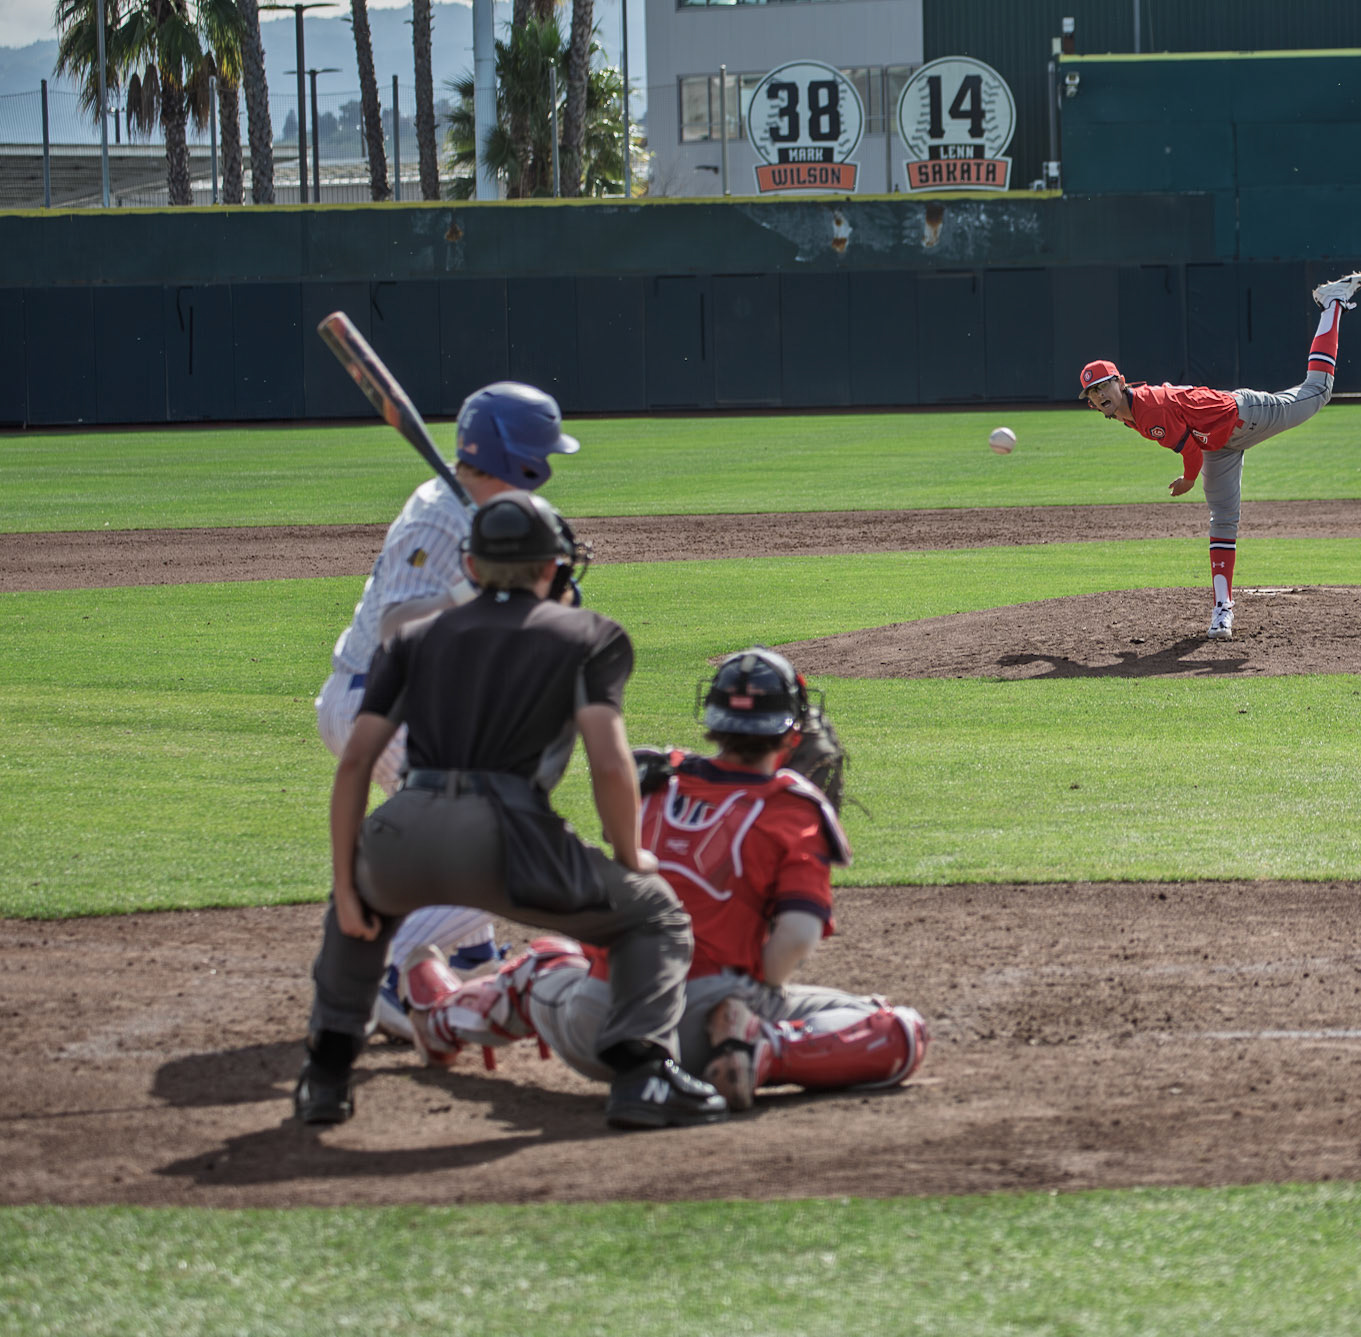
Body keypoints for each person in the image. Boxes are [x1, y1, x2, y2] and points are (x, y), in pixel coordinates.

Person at [293, 490, 728, 1132]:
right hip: (511, 837)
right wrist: (630, 852)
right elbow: (609, 763)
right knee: (655, 916)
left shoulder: (411, 637)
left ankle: (324, 1079)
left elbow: (357, 762)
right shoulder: (590, 634)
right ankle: (643, 1075)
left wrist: (345, 883)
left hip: (405, 827)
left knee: (358, 914)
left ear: (470, 566)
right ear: (553, 568)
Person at [397, 647, 928, 1112]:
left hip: (594, 1024)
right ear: (790, 731)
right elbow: (796, 937)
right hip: (698, 1031)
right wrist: (756, 991)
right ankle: (761, 1048)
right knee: (896, 1028)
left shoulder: (650, 779)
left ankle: (439, 1021)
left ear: (712, 718)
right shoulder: (791, 808)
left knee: (544, 964)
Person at [314, 381, 579, 1041]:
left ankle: (471, 959)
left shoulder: (511, 514)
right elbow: (397, 624)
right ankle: (383, 961)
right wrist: (473, 583)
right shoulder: (438, 512)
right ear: (519, 455)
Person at [1078, 271, 1361, 640]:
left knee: (1317, 391)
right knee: (1223, 519)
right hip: (1218, 443)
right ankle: (1222, 610)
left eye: (1104, 386)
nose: (1100, 395)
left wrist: (1187, 480)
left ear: (1121, 382)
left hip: (1244, 415)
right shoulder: (1128, 414)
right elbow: (1197, 444)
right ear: (1090, 403)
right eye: (1092, 393)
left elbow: (1191, 453)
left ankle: (1333, 302)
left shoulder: (1147, 410)